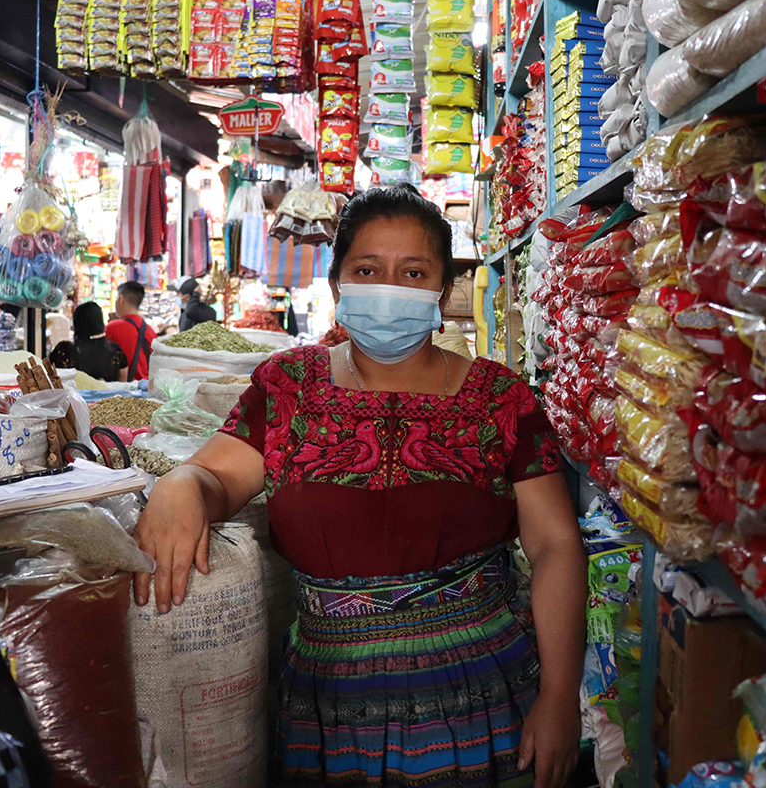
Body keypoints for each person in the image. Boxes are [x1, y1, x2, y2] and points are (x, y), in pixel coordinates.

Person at [134, 185, 586, 788]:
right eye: (368, 269)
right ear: (337, 284)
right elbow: (215, 476)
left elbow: (555, 546)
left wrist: (559, 697)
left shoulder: (502, 397)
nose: (390, 287)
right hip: (328, 706)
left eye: (414, 271)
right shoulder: (288, 386)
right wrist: (179, 485)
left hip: (487, 689)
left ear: (442, 290)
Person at [50, 301, 128, 382]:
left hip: (70, 394)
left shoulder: (63, 351)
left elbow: (51, 382)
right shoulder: (116, 352)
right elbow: (122, 387)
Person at [106, 280, 157, 380]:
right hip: (146, 390)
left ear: (121, 299)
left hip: (121, 390)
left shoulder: (112, 328)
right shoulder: (150, 331)